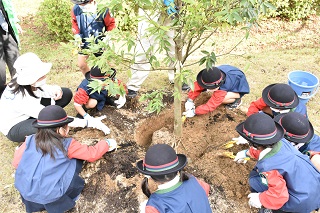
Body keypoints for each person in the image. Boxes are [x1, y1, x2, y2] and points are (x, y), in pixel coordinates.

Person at [13, 105, 118, 213]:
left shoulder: (29, 140)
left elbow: (16, 163)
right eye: (67, 126)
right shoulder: (67, 145)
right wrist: (106, 143)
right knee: (76, 161)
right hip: (51, 197)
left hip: (26, 192)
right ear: (61, 130)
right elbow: (91, 154)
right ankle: (68, 199)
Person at [234, 113, 320, 213]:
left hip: (301, 201)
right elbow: (265, 149)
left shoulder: (268, 167)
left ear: (252, 144)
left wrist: (261, 199)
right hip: (314, 188)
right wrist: (247, 153)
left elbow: (280, 196)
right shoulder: (282, 142)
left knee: (254, 180)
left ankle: (271, 210)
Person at [126, 1, 189, 98]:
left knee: (174, 44)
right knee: (145, 46)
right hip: (151, 5)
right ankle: (133, 85)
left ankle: (177, 77)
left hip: (174, 4)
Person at [136, 144, 212, 213]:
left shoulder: (154, 205)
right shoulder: (193, 180)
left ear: (150, 177)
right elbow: (206, 189)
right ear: (177, 169)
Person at [183, 65, 249, 117]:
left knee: (223, 99)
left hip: (237, 87)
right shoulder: (209, 76)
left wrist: (195, 111)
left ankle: (236, 101)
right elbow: (197, 86)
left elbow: (211, 105)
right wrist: (190, 100)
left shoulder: (223, 88)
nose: (209, 90)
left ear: (218, 84)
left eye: (212, 88)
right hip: (228, 73)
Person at [71, 0, 116, 77]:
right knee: (82, 65)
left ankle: (108, 83)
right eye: (79, 4)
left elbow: (111, 25)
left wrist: (108, 38)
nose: (81, 6)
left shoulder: (103, 10)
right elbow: (74, 22)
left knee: (104, 67)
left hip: (101, 42)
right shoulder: (76, 9)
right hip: (84, 41)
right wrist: (77, 35)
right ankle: (90, 81)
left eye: (83, 4)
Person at [0, 0, 23, 89]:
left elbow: (7, 4)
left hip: (6, 27)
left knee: (15, 60)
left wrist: (15, 22)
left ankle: (20, 90)